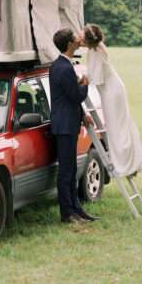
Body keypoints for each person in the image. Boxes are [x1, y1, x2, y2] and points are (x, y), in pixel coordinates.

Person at [81, 23, 142, 177]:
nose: (79, 38)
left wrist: (82, 80)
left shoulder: (96, 52)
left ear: (88, 41)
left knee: (117, 128)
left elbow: (96, 78)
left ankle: (126, 165)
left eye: (82, 36)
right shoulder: (94, 49)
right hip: (111, 90)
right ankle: (129, 162)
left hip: (112, 92)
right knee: (118, 126)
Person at [49, 28, 96, 224]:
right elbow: (75, 95)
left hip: (68, 122)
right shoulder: (64, 68)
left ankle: (76, 209)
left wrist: (83, 114)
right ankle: (67, 213)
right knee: (66, 171)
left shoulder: (61, 66)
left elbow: (69, 98)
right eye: (75, 38)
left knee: (71, 169)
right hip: (64, 126)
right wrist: (85, 83)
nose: (79, 40)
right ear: (69, 44)